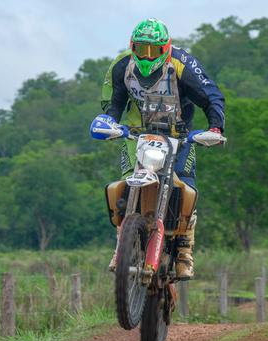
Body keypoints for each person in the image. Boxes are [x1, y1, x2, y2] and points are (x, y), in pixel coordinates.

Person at [94, 18, 225, 280]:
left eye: (154, 49)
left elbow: (211, 95)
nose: (147, 55)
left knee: (185, 184)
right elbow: (115, 101)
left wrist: (215, 127)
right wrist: (110, 121)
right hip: (136, 135)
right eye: (142, 49)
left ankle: (185, 249)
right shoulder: (122, 66)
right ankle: (122, 241)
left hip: (178, 136)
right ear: (133, 47)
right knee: (126, 180)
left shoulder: (182, 64)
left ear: (165, 47)